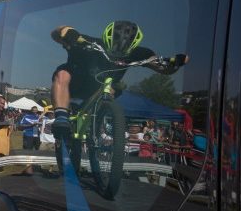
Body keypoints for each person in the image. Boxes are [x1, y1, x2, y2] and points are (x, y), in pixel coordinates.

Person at [50, 20, 188, 138]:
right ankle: (61, 117)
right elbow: (56, 35)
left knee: (111, 90)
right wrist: (66, 31)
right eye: (113, 52)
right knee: (62, 73)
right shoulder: (89, 43)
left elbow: (163, 69)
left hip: (100, 88)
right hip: (75, 84)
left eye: (121, 55)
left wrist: (176, 64)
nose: (116, 57)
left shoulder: (140, 53)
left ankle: (95, 127)